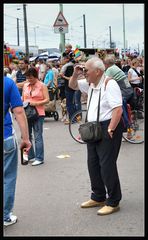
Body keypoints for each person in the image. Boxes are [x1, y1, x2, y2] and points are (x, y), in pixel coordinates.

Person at [69, 57, 123, 215]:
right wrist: (75, 74)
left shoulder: (109, 83)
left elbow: (117, 109)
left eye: (86, 70)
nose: (84, 73)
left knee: (107, 165)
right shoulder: (91, 83)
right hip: (92, 129)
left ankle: (113, 201)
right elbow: (73, 86)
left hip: (107, 127)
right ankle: (98, 196)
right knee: (93, 164)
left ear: (98, 71)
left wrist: (111, 129)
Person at [4, 76, 31, 226]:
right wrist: (25, 138)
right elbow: (19, 111)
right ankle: (5, 215)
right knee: (8, 177)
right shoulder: (8, 83)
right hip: (6, 137)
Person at [22, 67, 49, 166]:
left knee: (38, 136)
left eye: (31, 78)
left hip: (38, 113)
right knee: (27, 136)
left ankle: (39, 158)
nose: (29, 80)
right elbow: (23, 98)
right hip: (27, 113)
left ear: (36, 76)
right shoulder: (25, 86)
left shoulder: (42, 85)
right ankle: (30, 156)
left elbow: (47, 99)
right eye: (28, 78)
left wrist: (35, 103)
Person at [59, 52, 76, 124]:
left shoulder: (68, 67)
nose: (61, 60)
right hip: (71, 86)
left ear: (67, 59)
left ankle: (71, 119)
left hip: (69, 87)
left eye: (63, 58)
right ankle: (74, 118)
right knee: (72, 103)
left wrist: (63, 76)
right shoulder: (72, 66)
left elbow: (71, 78)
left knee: (69, 104)